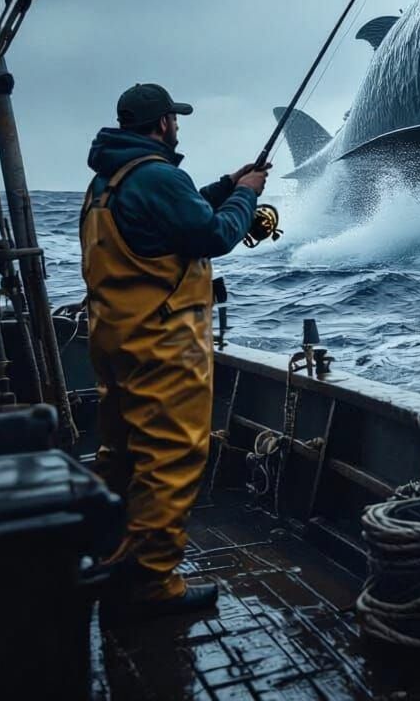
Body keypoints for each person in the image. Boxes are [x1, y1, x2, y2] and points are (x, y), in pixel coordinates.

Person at [80, 82, 268, 618]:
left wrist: (230, 182)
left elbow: (174, 217)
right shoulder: (160, 176)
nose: (177, 127)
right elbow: (212, 236)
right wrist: (247, 195)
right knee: (171, 457)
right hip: (162, 346)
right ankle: (152, 582)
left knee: (120, 455)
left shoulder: (107, 182)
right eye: (174, 120)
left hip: (114, 341)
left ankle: (114, 551)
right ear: (162, 124)